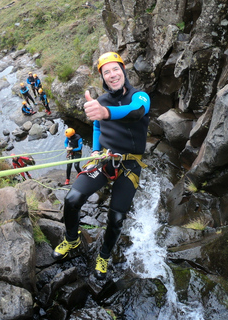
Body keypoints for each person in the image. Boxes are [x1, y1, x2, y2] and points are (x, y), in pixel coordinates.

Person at [52, 52, 150, 280]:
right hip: (105, 158)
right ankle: (72, 239)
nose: (112, 75)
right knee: (72, 199)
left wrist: (106, 113)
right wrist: (95, 150)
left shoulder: (141, 97)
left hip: (129, 164)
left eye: (116, 69)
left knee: (116, 219)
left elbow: (135, 113)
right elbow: (97, 127)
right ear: (103, 78)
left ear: (123, 71)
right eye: (107, 72)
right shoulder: (100, 101)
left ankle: (103, 256)